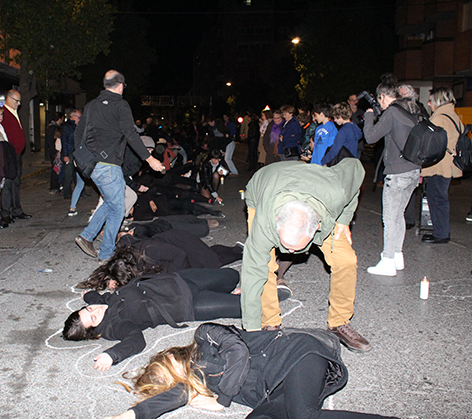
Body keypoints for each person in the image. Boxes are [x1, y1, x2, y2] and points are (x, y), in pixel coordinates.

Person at [104, 323, 399, 419]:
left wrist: (222, 400)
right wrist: (132, 415)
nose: (176, 384)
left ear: (171, 357)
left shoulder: (204, 337)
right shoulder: (196, 382)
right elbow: (175, 396)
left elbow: (238, 349)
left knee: (303, 415)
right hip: (278, 387)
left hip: (296, 354)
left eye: (167, 378)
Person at [241, 158, 371, 352]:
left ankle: (339, 323)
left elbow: (355, 168)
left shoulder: (336, 193)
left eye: (296, 248)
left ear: (317, 227)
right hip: (264, 183)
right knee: (264, 265)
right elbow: (253, 273)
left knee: (346, 260)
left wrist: (344, 218)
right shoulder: (265, 223)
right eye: (286, 246)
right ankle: (269, 323)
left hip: (316, 187)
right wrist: (251, 333)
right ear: (276, 221)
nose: (289, 254)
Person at [62, 268, 242, 369]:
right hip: (187, 304)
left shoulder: (102, 304)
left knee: (233, 276)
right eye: (93, 318)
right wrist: (112, 355)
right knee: (244, 307)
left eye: (89, 309)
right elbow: (135, 340)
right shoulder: (115, 326)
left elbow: (97, 301)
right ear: (95, 330)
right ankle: (228, 298)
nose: (97, 310)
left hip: (178, 280)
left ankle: (227, 293)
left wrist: (88, 296)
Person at [74, 70, 165, 261]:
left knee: (111, 201)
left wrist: (77, 155)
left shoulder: (91, 105)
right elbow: (131, 134)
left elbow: (79, 132)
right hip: (109, 164)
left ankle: (87, 236)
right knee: (117, 207)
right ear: (121, 85)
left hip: (92, 164)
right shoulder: (120, 104)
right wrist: (150, 159)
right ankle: (106, 252)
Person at [363, 74, 421, 276]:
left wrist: (369, 117)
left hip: (397, 172)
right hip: (413, 170)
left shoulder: (392, 112)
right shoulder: (412, 109)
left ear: (382, 97)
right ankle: (397, 256)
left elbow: (370, 137)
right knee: (399, 215)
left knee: (389, 218)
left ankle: (387, 261)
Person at [420, 87, 464, 244]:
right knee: (439, 197)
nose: (429, 103)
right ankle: (441, 231)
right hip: (447, 164)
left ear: (438, 100)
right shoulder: (452, 115)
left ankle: (441, 233)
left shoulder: (439, 118)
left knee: (437, 198)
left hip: (440, 166)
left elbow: (428, 141)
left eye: (431, 100)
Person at [115, 229, 243, 273]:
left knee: (211, 263)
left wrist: (171, 274)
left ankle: (241, 252)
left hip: (181, 242)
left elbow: (180, 254)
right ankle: (234, 249)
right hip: (172, 243)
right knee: (205, 254)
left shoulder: (149, 251)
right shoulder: (127, 255)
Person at [0, 89, 31, 224]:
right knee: (7, 183)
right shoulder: (3, 113)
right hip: (9, 154)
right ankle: (5, 212)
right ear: (9, 99)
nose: (19, 104)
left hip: (16, 154)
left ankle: (17, 210)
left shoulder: (13, 112)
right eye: (17, 101)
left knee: (15, 182)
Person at [60, 110, 84, 215]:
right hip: (70, 153)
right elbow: (64, 141)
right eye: (79, 117)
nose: (80, 119)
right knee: (68, 174)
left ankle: (80, 192)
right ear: (73, 116)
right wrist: (65, 155)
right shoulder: (67, 126)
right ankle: (67, 193)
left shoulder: (76, 126)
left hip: (76, 153)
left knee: (80, 174)